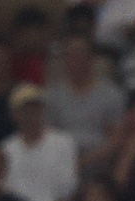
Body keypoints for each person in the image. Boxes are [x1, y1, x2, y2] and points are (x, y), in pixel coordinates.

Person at [0, 83, 79, 201]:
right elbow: (5, 189)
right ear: (14, 114)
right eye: (24, 110)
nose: (30, 114)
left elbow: (69, 189)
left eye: (35, 109)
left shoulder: (63, 142)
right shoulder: (6, 148)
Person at [43, 34, 127, 165]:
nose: (75, 61)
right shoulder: (52, 96)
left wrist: (85, 161)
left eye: (80, 55)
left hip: (98, 160)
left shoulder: (111, 94)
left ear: (91, 59)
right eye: (70, 56)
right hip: (61, 160)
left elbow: (116, 139)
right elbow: (47, 135)